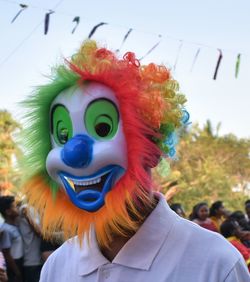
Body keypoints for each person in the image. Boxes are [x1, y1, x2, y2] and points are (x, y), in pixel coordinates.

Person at [21, 40, 250, 281]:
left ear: (151, 146)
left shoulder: (216, 264)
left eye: (102, 127)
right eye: (63, 136)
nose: (73, 153)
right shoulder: (57, 267)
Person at [0, 196, 23, 282]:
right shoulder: (6, 230)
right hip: (14, 266)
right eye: (14, 206)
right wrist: (17, 272)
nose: (17, 208)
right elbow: (7, 254)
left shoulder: (14, 225)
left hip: (19, 263)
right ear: (8, 212)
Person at [18, 204, 42, 282]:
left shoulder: (36, 209)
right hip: (31, 262)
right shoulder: (26, 209)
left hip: (38, 259)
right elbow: (39, 232)